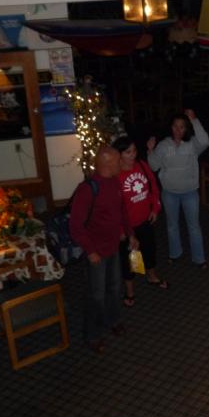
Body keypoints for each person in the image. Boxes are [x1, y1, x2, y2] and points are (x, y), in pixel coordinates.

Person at [69, 146, 138, 353]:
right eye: (118, 161)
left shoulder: (114, 181)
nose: (121, 163)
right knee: (96, 295)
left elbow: (122, 211)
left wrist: (130, 233)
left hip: (113, 248)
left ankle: (113, 320)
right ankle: (92, 335)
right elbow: (76, 226)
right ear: (107, 164)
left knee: (114, 288)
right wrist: (90, 251)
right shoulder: (87, 190)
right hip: (96, 254)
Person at [147, 109, 209, 268]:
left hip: (190, 192)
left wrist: (194, 120)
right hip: (169, 193)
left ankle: (199, 258)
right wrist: (150, 150)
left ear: (186, 128)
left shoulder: (192, 144)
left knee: (194, 227)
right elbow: (153, 166)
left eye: (182, 127)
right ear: (171, 127)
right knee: (172, 226)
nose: (178, 130)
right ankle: (175, 253)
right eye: (175, 126)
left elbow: (205, 141)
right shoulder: (163, 145)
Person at [112, 136, 168, 307]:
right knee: (129, 259)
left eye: (134, 151)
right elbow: (113, 208)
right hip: (127, 227)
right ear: (119, 155)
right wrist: (122, 231)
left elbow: (153, 188)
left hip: (145, 221)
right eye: (128, 152)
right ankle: (130, 291)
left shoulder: (142, 165)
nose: (133, 155)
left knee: (149, 250)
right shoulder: (115, 176)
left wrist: (155, 209)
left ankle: (151, 276)